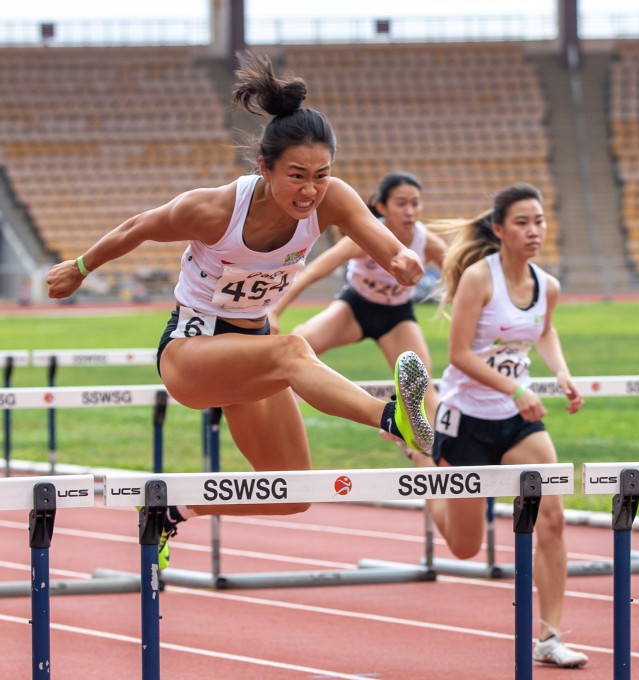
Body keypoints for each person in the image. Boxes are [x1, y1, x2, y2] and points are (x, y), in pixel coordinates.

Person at [45, 52, 433, 569]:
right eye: (297, 176)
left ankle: (168, 510)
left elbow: (374, 233)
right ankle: (392, 418)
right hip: (191, 352)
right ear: (264, 168)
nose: (310, 190)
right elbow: (138, 226)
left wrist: (402, 259)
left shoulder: (330, 199)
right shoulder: (213, 210)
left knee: (292, 491)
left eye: (321, 175)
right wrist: (80, 265)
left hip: (250, 353)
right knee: (293, 348)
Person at [420, 183, 589, 668]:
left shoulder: (547, 285)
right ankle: (420, 454)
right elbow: (457, 356)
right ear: (498, 230)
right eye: (522, 222)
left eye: (538, 221)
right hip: (465, 422)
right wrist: (515, 388)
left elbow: (545, 328)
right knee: (466, 546)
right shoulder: (478, 278)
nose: (533, 230)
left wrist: (560, 371)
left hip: (516, 425)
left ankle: (550, 637)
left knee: (552, 517)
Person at [268, 171, 447, 456]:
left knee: (424, 385)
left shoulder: (429, 244)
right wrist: (275, 311)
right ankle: (272, 412)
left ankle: (433, 456)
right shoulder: (365, 236)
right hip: (355, 308)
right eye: (402, 203)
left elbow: (460, 277)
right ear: (382, 208)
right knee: (298, 342)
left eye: (416, 203)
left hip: (397, 317)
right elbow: (315, 270)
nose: (410, 211)